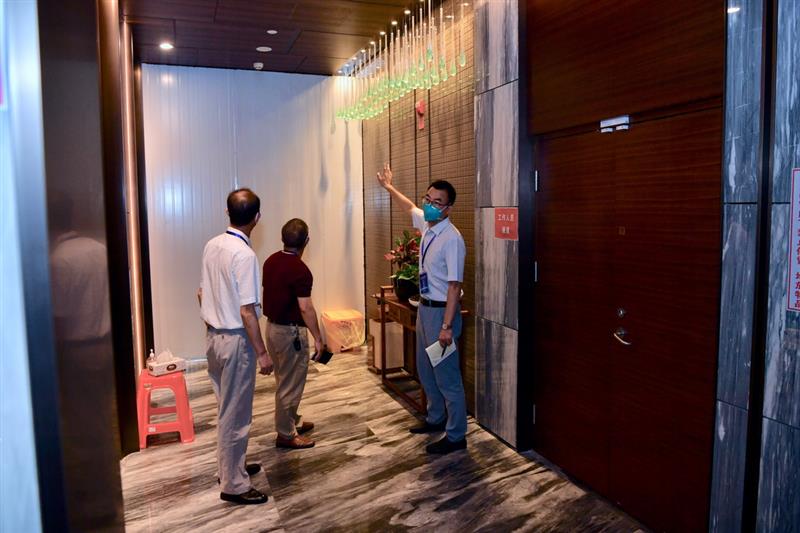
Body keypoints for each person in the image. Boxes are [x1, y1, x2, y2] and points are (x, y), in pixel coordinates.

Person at [376, 163, 468, 454]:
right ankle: (435, 418)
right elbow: (409, 207)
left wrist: (446, 327)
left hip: (442, 313)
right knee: (426, 370)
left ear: (448, 208)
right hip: (425, 309)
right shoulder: (428, 227)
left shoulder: (452, 239)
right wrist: (389, 187)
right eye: (428, 199)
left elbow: (454, 286)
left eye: (437, 202)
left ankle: (456, 435)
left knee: (447, 378)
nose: (430, 205)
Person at [199, 188, 273, 505]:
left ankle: (230, 468)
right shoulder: (244, 255)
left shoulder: (212, 245)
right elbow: (247, 311)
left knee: (225, 410)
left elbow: (201, 293)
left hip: (214, 338)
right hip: (235, 341)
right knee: (237, 415)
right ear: (257, 217)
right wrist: (262, 353)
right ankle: (234, 485)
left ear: (227, 213)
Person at [262, 218, 323, 449]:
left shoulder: (270, 261)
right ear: (306, 241)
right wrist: (318, 338)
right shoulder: (300, 270)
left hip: (271, 330)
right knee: (290, 384)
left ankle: (292, 421)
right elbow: (305, 308)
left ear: (282, 238)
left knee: (283, 380)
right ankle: (286, 434)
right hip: (290, 334)